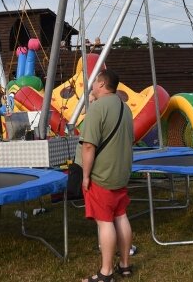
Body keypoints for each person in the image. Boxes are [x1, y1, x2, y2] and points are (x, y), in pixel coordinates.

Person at [76, 69, 134, 282]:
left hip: (101, 175)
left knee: (104, 222)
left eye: (94, 84)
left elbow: (89, 146)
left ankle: (106, 272)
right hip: (120, 172)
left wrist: (85, 176)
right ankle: (125, 265)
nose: (91, 87)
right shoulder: (124, 107)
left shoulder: (97, 109)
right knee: (121, 216)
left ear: (101, 84)